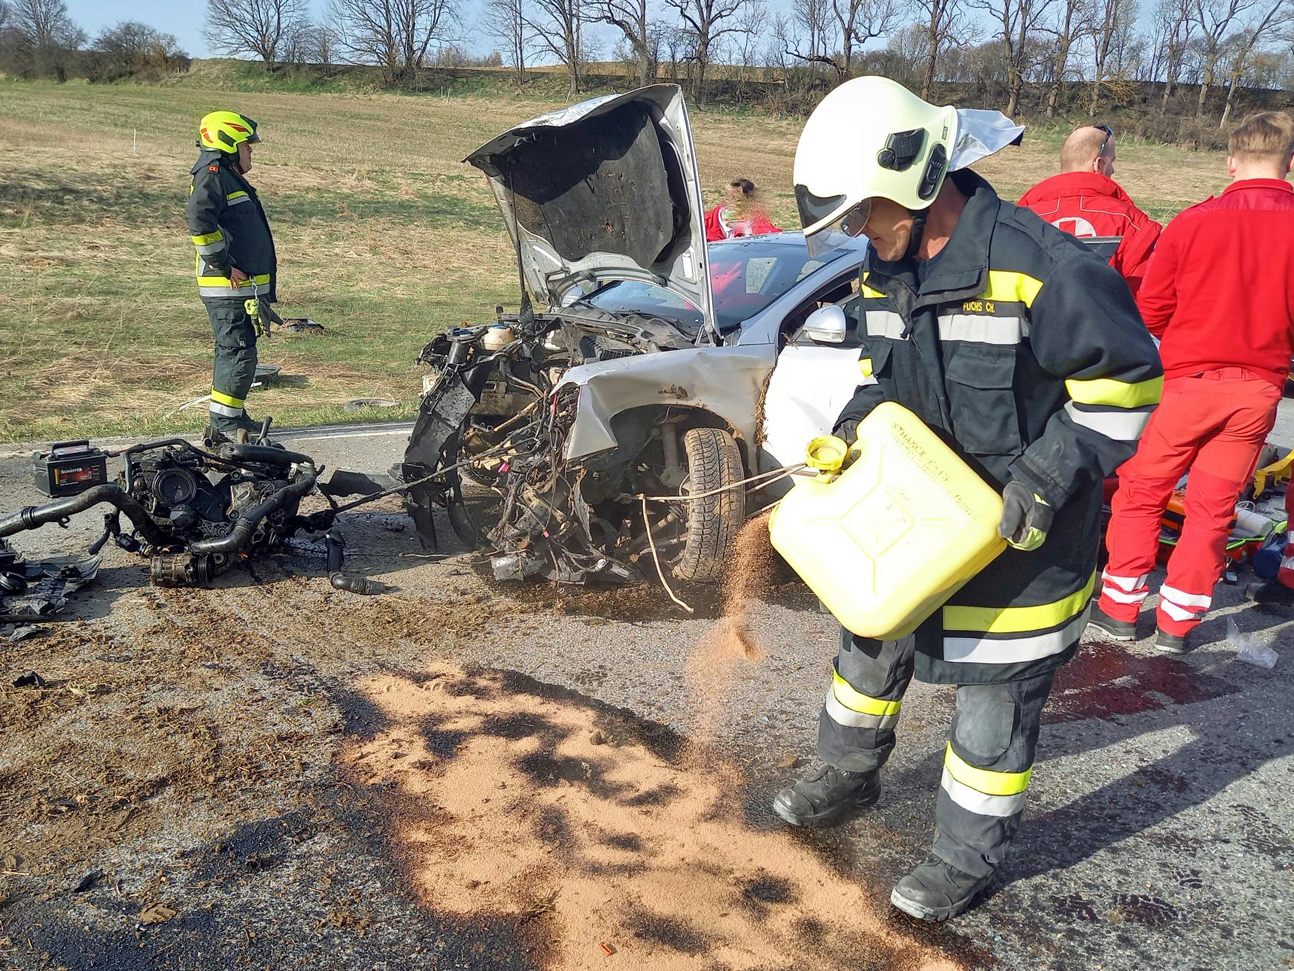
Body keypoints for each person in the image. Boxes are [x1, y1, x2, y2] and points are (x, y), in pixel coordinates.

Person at [774, 76, 1162, 921]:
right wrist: (847, 432)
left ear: (915, 182)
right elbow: (885, 380)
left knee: (994, 707)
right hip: (918, 520)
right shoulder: (886, 272)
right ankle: (844, 776)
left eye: (863, 213)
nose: (856, 234)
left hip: (1023, 538)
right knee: (868, 648)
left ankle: (963, 859)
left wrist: (1046, 474)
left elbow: (1127, 386)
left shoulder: (1046, 269)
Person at [1092, 111, 1294, 643]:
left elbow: (1152, 308)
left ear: (1231, 161)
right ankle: (1178, 624)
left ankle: (1120, 606)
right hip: (1258, 391)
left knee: (1142, 490)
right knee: (1214, 505)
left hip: (1189, 382)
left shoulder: (1194, 221)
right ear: (1289, 164)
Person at [187, 110, 278, 443]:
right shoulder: (213, 176)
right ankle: (226, 427)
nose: (251, 150)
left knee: (237, 349)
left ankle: (232, 416)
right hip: (227, 287)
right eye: (246, 144)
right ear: (227, 145)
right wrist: (224, 266)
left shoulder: (225, 177)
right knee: (238, 351)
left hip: (237, 287)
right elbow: (199, 222)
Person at [1018, 125, 1161, 298]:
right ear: (1098, 164)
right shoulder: (1131, 223)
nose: (1113, 170)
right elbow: (1145, 297)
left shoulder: (1020, 218)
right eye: (1112, 161)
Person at [703, 178, 781, 241]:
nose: (731, 199)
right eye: (730, 196)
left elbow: (774, 239)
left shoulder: (758, 223)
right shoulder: (706, 222)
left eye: (738, 200)